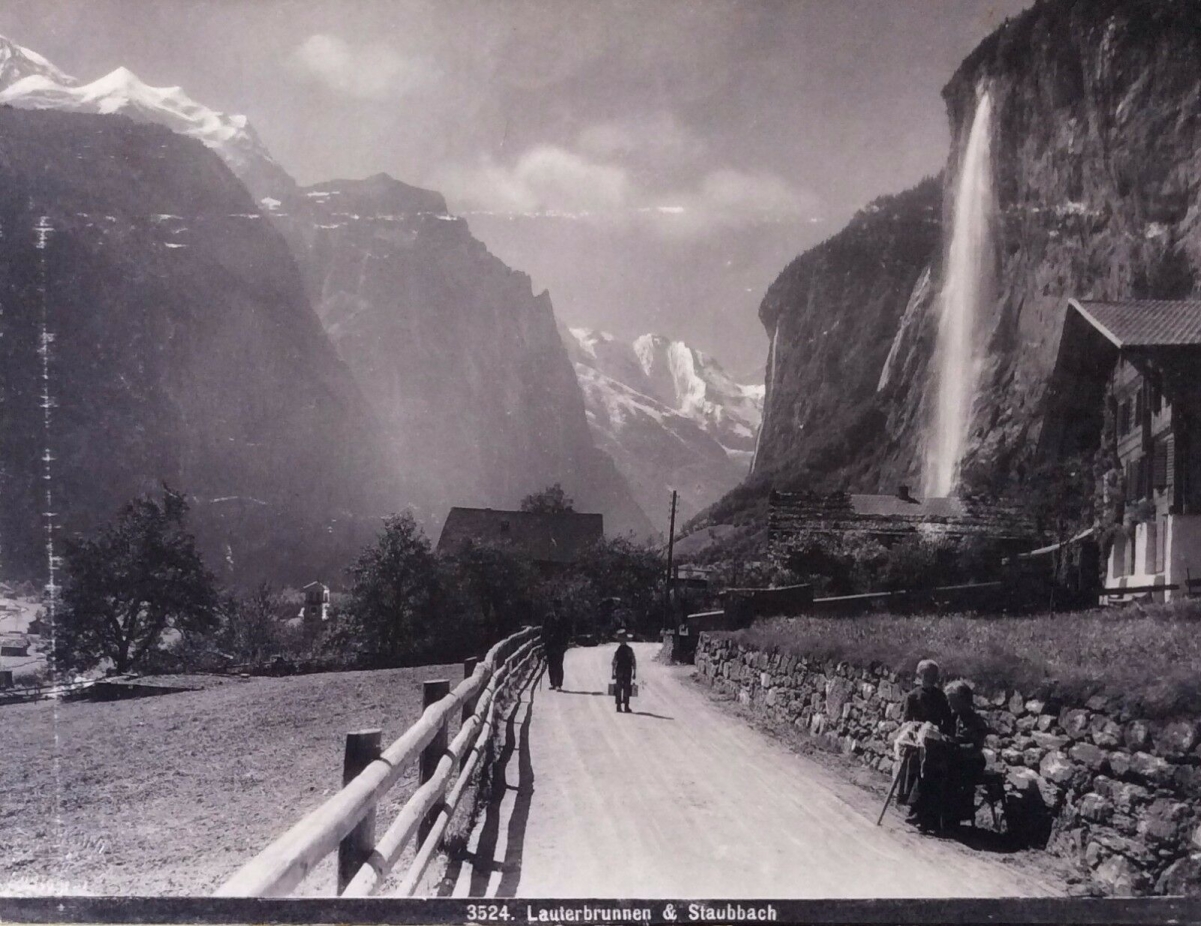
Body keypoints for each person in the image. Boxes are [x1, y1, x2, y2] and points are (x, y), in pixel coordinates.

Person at [897, 659, 954, 829]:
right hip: (917, 740)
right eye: (926, 675)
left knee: (934, 763)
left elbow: (948, 722)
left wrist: (938, 732)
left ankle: (927, 812)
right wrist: (919, 730)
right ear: (919, 676)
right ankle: (916, 808)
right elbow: (907, 722)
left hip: (935, 740)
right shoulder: (913, 696)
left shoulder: (940, 696)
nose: (930, 679)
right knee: (918, 761)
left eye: (933, 676)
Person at [541, 610, 569, 691]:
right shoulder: (548, 618)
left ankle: (559, 684)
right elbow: (544, 630)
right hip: (550, 644)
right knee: (551, 664)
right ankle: (553, 682)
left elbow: (568, 632)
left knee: (559, 663)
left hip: (560, 645)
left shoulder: (564, 619)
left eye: (558, 607)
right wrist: (543, 641)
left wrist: (565, 643)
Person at [611, 629, 636, 713]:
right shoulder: (629, 650)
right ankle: (626, 706)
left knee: (619, 688)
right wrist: (635, 672)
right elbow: (633, 661)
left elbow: (614, 662)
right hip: (627, 670)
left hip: (619, 670)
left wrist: (613, 673)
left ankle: (618, 706)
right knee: (626, 688)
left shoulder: (618, 650)